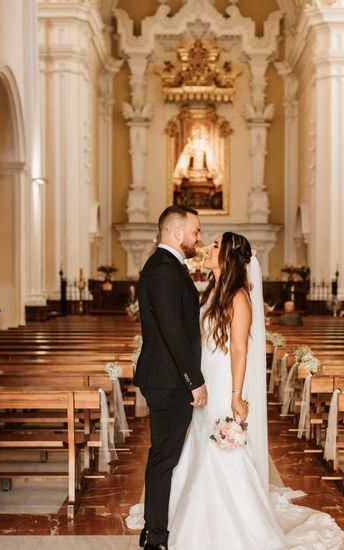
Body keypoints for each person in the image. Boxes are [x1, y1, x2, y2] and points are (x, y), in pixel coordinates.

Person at [129, 232, 343, 549]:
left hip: (222, 384)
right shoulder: (211, 293)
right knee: (201, 447)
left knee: (223, 452)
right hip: (204, 381)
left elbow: (240, 350)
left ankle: (230, 526)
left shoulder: (238, 297)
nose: (207, 248)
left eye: (215, 245)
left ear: (227, 256)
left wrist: (235, 395)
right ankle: (193, 518)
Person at [134, 205, 207, 550]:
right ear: (177, 233)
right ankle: (156, 539)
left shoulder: (166, 267)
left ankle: (153, 529)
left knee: (163, 456)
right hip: (169, 380)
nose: (198, 238)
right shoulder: (164, 269)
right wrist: (194, 379)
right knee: (164, 458)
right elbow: (173, 330)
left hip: (166, 376)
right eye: (195, 231)